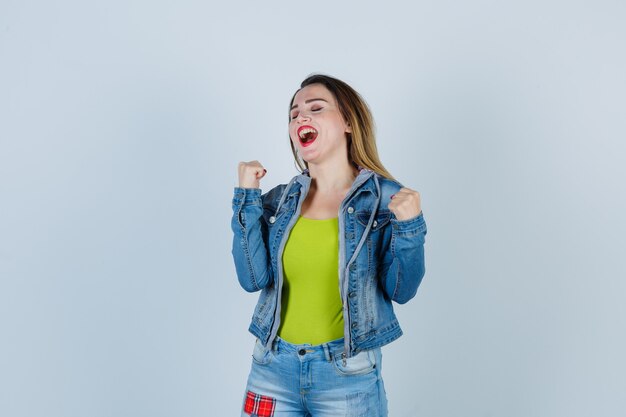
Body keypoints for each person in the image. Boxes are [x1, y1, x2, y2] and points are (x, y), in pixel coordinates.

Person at [231, 74, 427, 416]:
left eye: (315, 108)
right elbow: (253, 279)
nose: (300, 118)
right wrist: (246, 197)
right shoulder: (280, 202)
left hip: (347, 375)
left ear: (348, 122)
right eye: (293, 114)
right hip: (271, 368)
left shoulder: (385, 199)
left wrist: (410, 228)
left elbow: (402, 289)